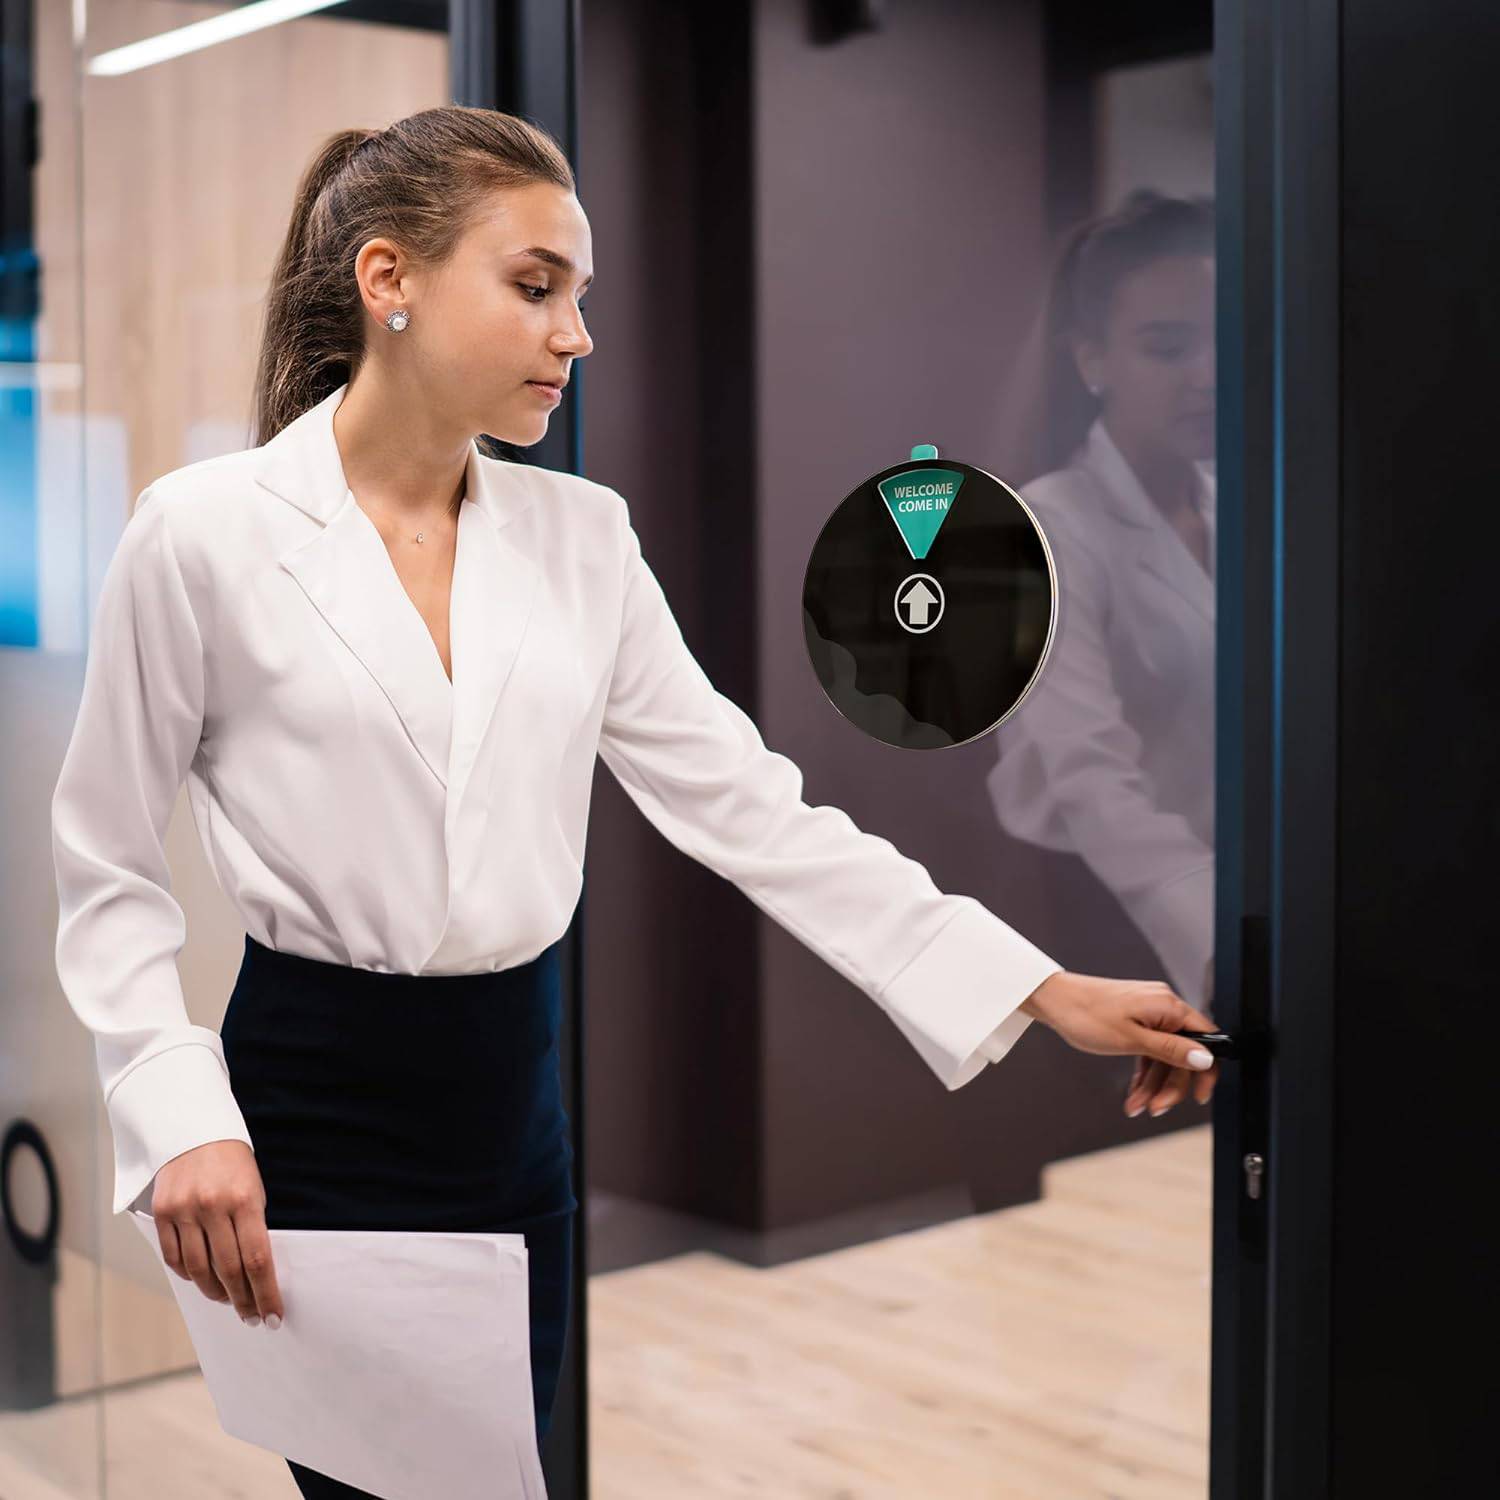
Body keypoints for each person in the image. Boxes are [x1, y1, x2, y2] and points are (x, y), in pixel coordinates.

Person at [49, 109, 1220, 1497]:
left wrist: (1031, 987)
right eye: (536, 285)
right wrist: (183, 1112)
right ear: (390, 281)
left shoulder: (581, 539)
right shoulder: (203, 533)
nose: (575, 333)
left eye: (580, 297)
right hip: (310, 1115)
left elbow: (753, 813)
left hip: (512, 1110)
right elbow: (108, 861)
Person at [988, 188, 1218, 1117]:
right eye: (1168, 348)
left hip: (1229, 891)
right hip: (1101, 907)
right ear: (1092, 361)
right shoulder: (1049, 526)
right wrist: (1221, 951)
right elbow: (1090, 777)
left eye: (1219, 340)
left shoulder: (1245, 500)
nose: (1205, 373)